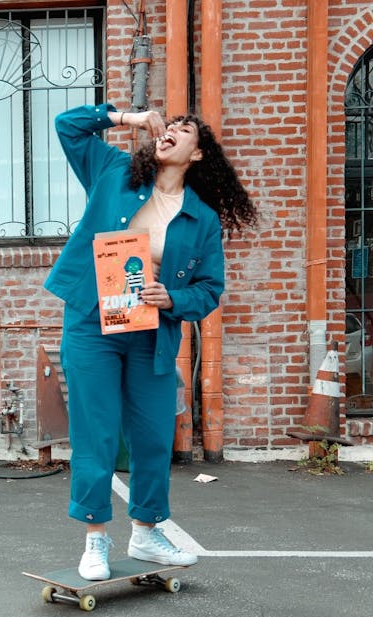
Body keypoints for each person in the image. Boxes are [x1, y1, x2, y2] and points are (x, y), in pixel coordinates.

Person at [44, 103, 258, 580]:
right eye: (169, 127)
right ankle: (96, 538)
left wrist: (173, 297)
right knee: (95, 435)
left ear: (198, 155)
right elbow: (67, 126)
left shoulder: (201, 219)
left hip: (152, 333)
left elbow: (209, 290)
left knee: (153, 437)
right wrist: (130, 119)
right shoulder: (113, 170)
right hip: (92, 324)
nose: (171, 132)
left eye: (184, 132)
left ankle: (146, 532)